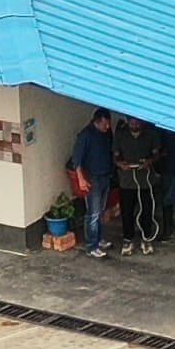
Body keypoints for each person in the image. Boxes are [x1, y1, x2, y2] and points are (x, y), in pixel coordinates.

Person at [69, 107, 117, 260]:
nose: (107, 127)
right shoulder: (86, 135)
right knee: (93, 213)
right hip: (92, 179)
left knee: (101, 210)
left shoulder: (107, 133)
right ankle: (91, 245)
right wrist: (81, 179)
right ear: (96, 122)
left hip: (105, 176)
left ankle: (99, 239)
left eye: (108, 124)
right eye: (104, 124)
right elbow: (77, 160)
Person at [113, 112, 160, 254]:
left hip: (146, 180)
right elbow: (115, 156)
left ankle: (146, 238)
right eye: (132, 123)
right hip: (127, 180)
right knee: (127, 211)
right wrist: (120, 164)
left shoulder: (151, 134)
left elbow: (157, 154)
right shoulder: (121, 135)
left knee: (147, 210)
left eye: (137, 122)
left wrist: (149, 161)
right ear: (127, 121)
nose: (135, 125)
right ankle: (128, 239)